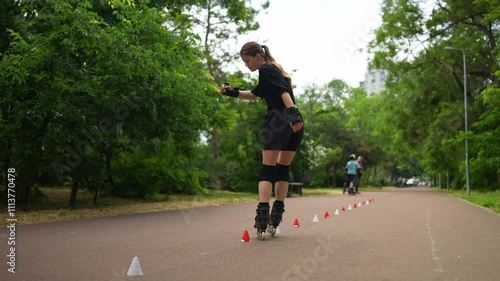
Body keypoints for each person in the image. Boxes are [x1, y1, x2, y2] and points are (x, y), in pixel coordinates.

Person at [219, 42, 304, 240]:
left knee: (267, 169)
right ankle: (276, 216)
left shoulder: (265, 70)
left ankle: (262, 217)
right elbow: (255, 95)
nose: (246, 65)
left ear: (258, 56)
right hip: (293, 126)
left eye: (247, 61)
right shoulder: (273, 71)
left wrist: (293, 114)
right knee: (282, 169)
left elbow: (283, 93)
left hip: (279, 122)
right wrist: (232, 92)